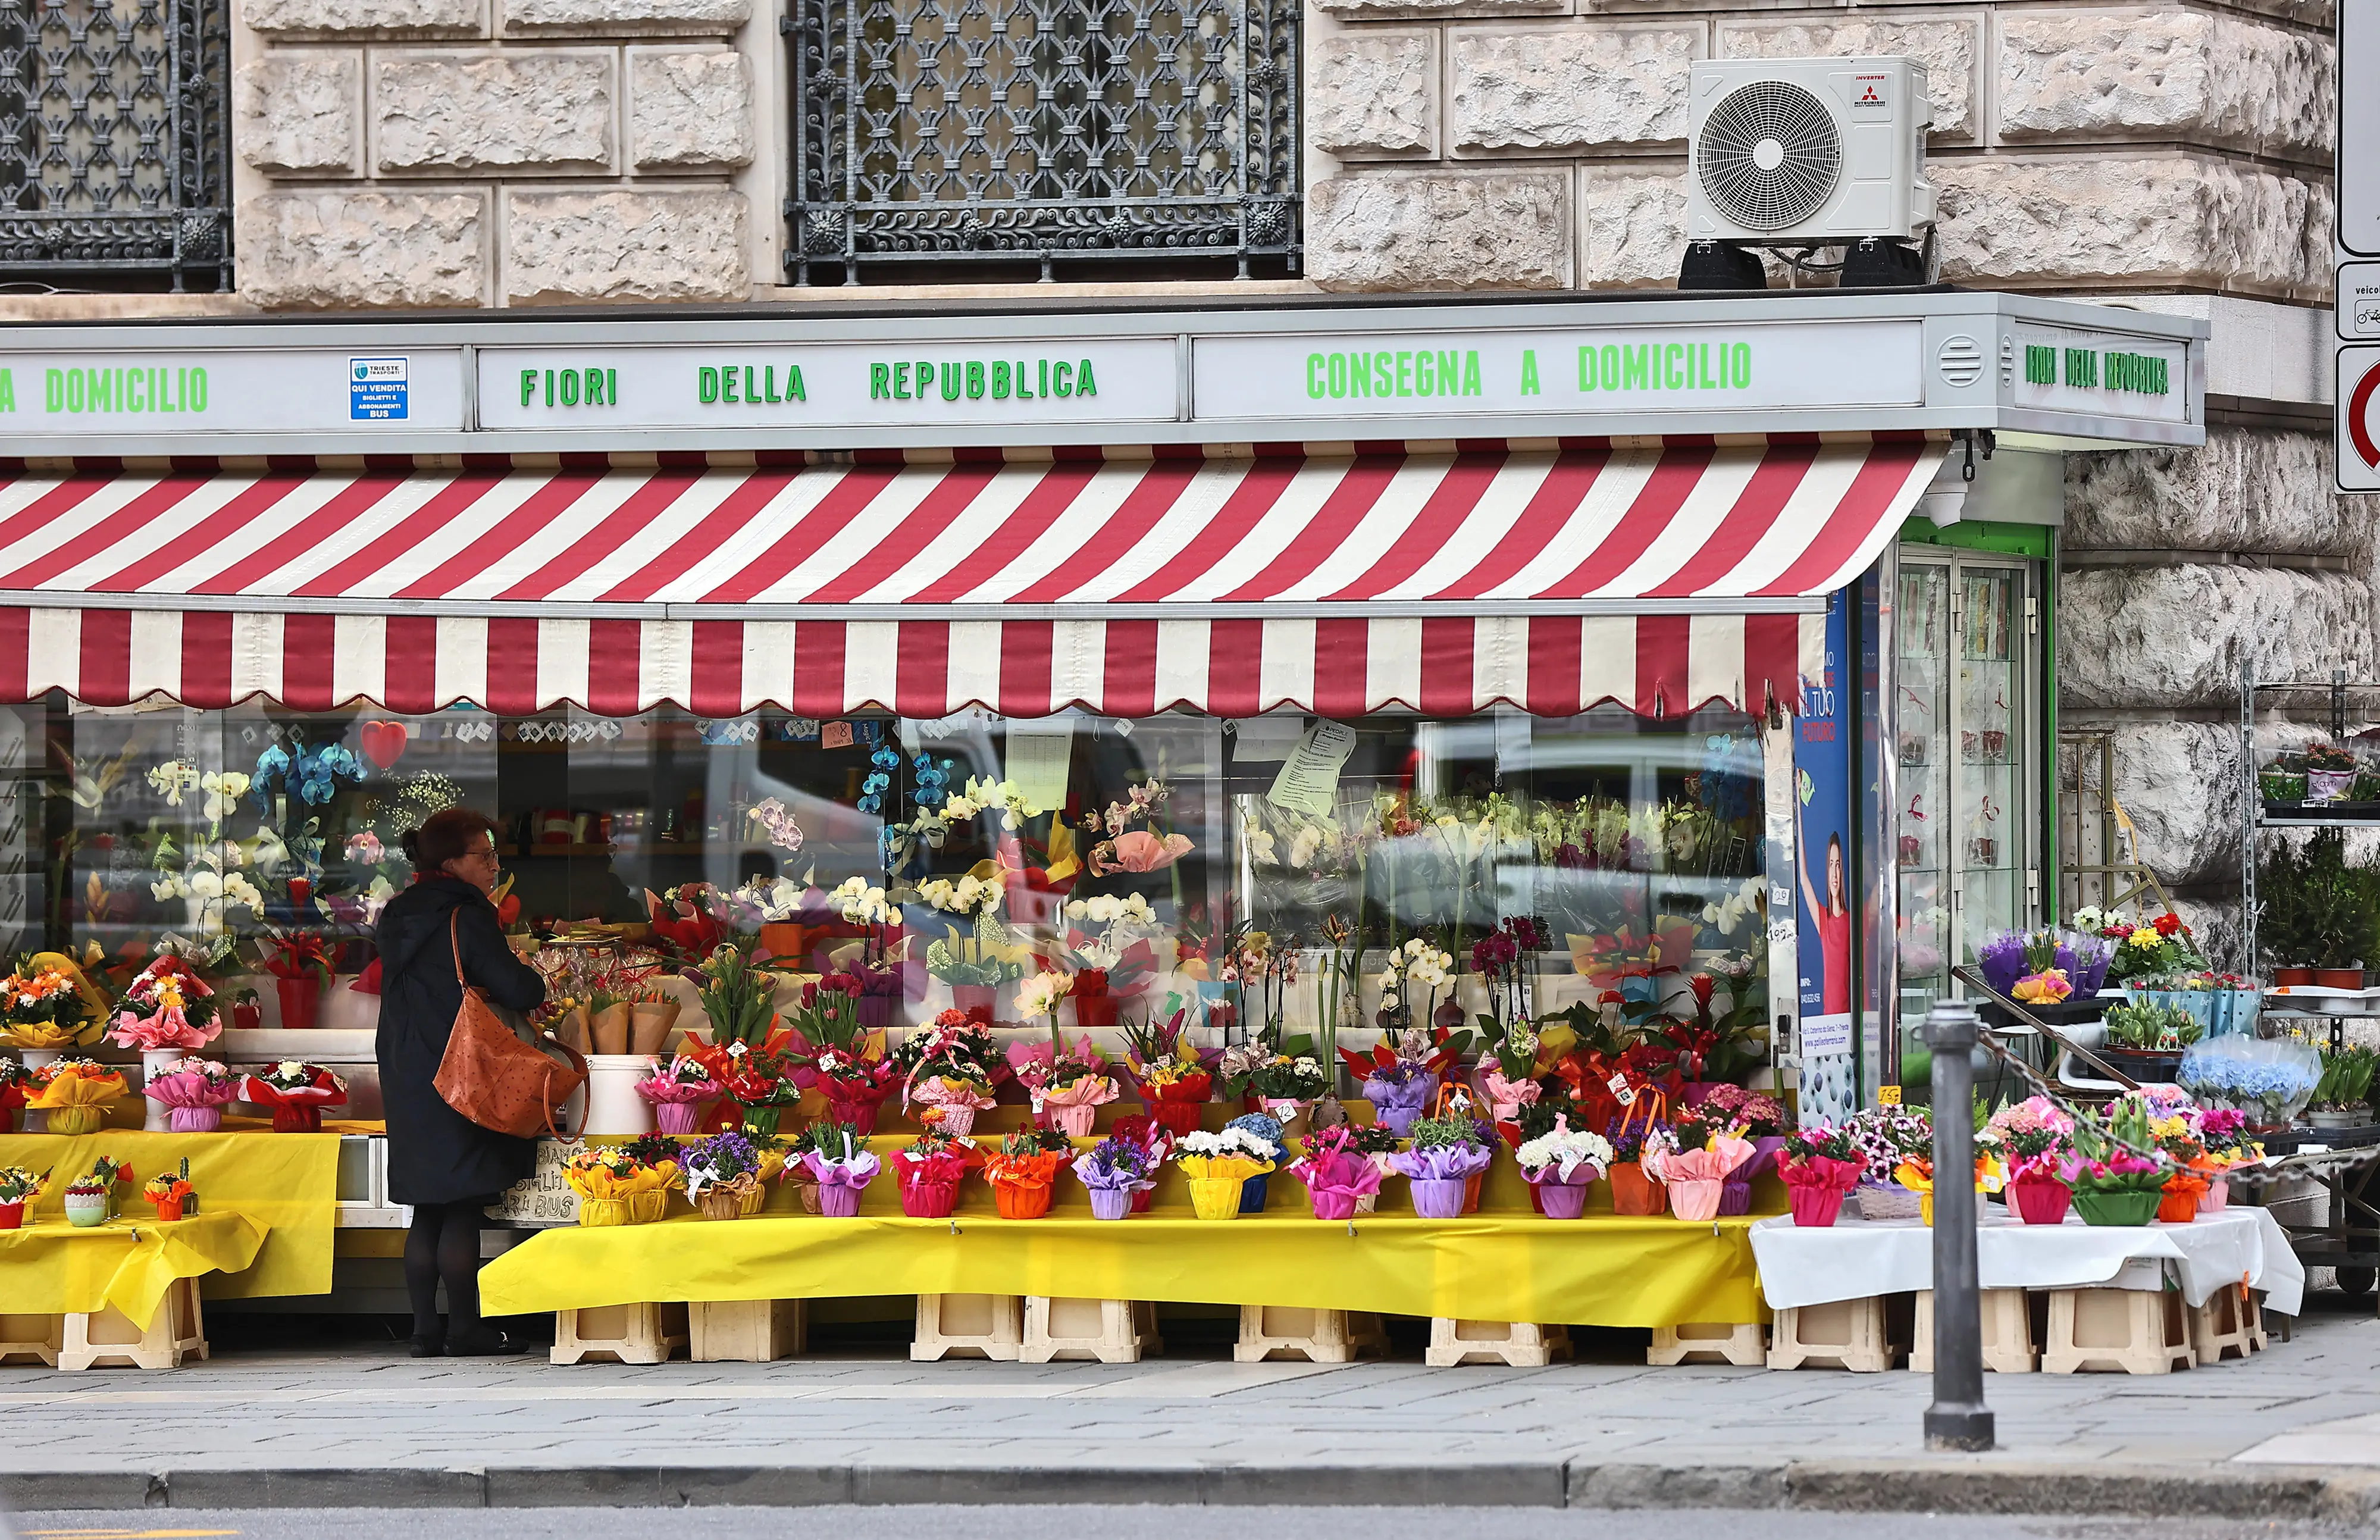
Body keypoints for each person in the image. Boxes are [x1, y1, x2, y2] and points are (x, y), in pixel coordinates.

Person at [374, 808, 546, 1357]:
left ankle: (425, 1331)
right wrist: (530, 976)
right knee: (461, 1205)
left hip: (404, 1065)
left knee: (427, 1205)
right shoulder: (464, 916)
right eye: (485, 855)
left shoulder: (397, 913)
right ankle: (466, 1329)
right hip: (459, 1063)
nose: (495, 866)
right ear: (453, 863)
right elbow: (520, 990)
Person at [1794, 797, 1852, 1020]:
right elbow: (1803, 879)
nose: (1835, 874)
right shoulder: (1823, 920)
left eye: (1839, 866)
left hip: (1853, 1017)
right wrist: (1798, 803)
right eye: (1831, 865)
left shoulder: (1852, 920)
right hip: (1830, 1019)